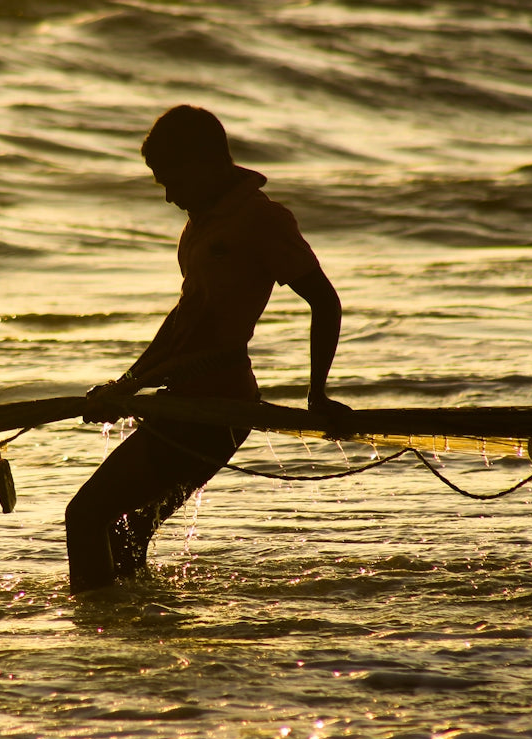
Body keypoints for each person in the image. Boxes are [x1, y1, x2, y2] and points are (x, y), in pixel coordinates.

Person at [65, 105, 348, 594]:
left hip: (220, 409)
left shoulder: (261, 219)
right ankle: (139, 634)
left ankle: (95, 630)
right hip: (185, 403)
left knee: (85, 514)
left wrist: (317, 394)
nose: (170, 196)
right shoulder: (200, 225)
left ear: (206, 163)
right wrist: (125, 384)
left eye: (171, 180)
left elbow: (325, 301)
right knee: (126, 531)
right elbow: (184, 320)